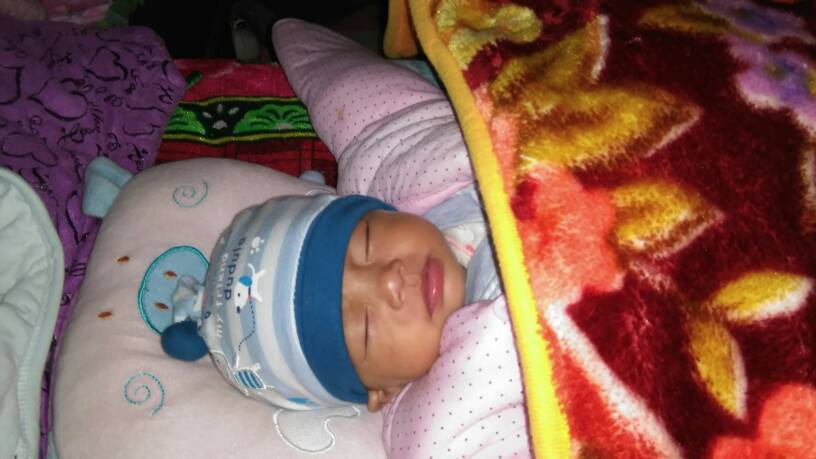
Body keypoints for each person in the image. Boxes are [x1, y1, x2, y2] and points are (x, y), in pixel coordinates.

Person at [161, 18, 501, 413]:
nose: (390, 279)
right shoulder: (467, 399)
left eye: (368, 241)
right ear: (383, 391)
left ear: (380, 211)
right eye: (367, 328)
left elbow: (358, 100)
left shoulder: (442, 182)